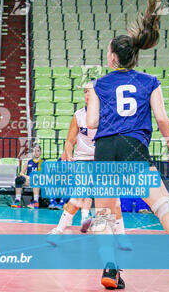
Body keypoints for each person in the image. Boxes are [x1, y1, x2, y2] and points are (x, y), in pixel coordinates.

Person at [86, 0, 169, 289]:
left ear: (114, 56)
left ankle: (109, 269)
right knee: (163, 205)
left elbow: (91, 122)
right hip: (134, 146)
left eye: (108, 51)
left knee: (103, 214)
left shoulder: (99, 84)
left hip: (106, 148)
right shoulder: (149, 81)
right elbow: (162, 120)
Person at [48, 84, 128, 241]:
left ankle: (121, 234)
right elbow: (70, 141)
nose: (87, 95)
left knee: (113, 199)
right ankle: (59, 229)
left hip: (103, 160)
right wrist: (69, 154)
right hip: (83, 160)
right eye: (85, 92)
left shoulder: (108, 115)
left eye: (90, 92)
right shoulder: (78, 116)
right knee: (77, 196)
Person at [11, 143, 42, 209]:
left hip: (39, 181)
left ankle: (35, 201)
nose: (36, 153)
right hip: (28, 180)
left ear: (40, 152)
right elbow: (21, 173)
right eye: (34, 151)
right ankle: (17, 200)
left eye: (38, 151)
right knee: (18, 179)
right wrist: (27, 177)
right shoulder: (28, 162)